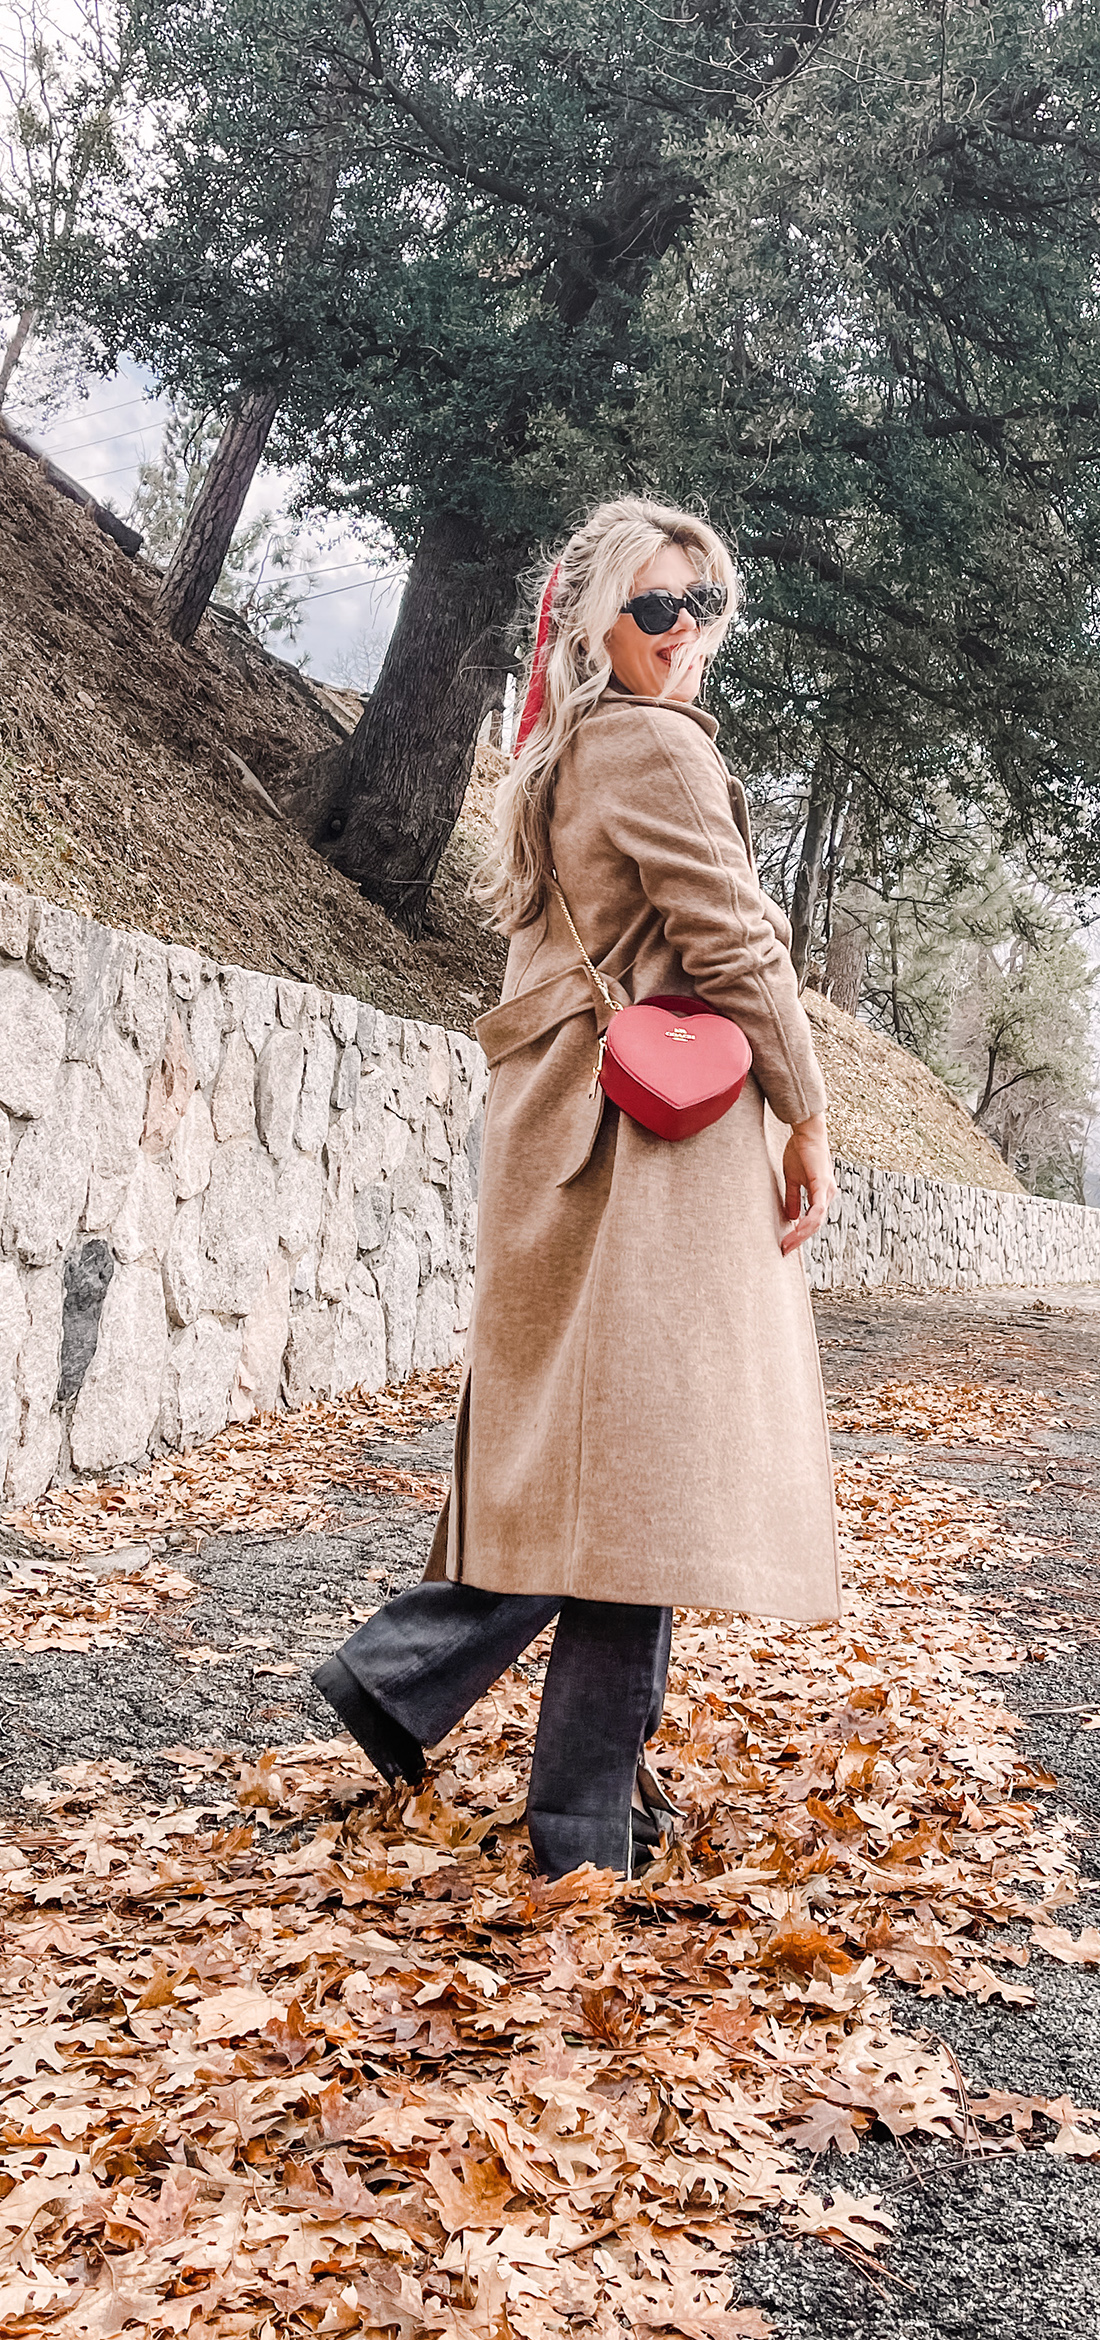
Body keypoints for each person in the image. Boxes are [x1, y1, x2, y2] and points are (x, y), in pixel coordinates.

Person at [313, 496, 840, 1876]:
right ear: (601, 622)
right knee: (634, 1480)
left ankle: (573, 1804)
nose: (682, 634)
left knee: (624, 1478)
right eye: (655, 608)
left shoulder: (561, 754)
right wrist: (808, 1111)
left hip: (573, 1126)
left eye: (699, 608)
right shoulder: (651, 749)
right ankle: (424, 1687)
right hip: (640, 1149)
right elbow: (734, 942)